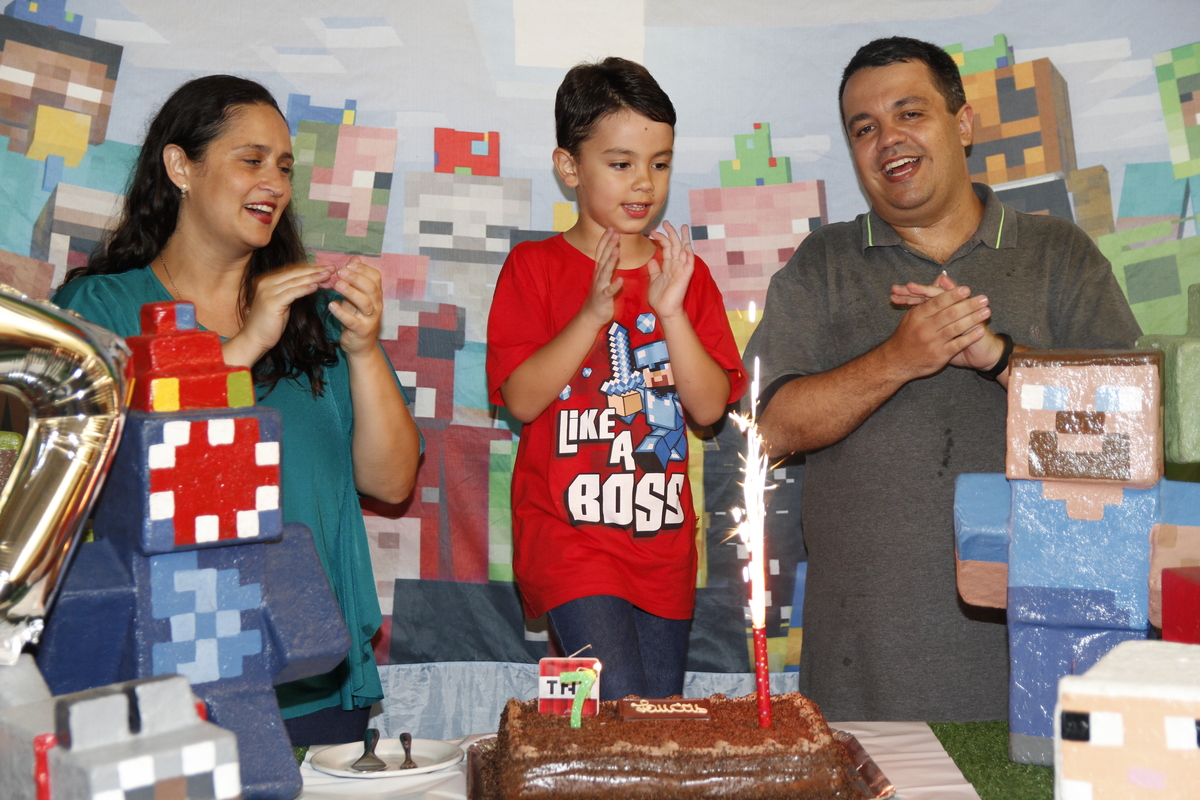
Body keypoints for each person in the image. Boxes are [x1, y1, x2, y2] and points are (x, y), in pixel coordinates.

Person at [743, 37, 1141, 722]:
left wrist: (1000, 358)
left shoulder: (1058, 254)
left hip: (1043, 674)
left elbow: (1127, 439)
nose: (888, 141)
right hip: (862, 677)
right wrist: (900, 357)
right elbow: (769, 430)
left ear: (962, 124)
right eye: (864, 128)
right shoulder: (822, 263)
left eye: (910, 114)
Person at [52, 75, 421, 745]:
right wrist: (244, 346)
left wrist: (364, 349)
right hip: (162, 686)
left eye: (284, 167)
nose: (274, 183)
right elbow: (107, 473)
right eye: (251, 160)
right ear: (180, 167)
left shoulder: (315, 316)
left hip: (312, 678)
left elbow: (391, 482)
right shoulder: (100, 308)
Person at [486, 57, 747, 700]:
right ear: (569, 166)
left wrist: (670, 313)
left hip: (662, 546)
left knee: (654, 724)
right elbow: (521, 398)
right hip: (568, 543)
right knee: (618, 708)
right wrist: (590, 316)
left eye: (660, 163)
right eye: (621, 163)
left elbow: (709, 409)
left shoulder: (684, 275)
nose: (644, 183)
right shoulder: (533, 267)